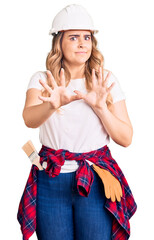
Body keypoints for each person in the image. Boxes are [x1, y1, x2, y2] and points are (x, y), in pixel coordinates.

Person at [18, 4, 137, 240]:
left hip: (96, 178)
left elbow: (126, 138)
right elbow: (29, 119)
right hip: (51, 178)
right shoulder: (43, 80)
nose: (82, 43)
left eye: (87, 37)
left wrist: (101, 107)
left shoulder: (105, 81)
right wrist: (52, 104)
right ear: (58, 41)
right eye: (73, 37)